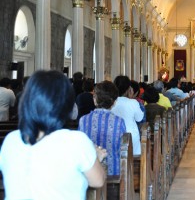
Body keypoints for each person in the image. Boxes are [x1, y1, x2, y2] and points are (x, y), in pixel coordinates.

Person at [0, 70, 106, 199]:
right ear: (65, 103)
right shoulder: (75, 141)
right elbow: (98, 181)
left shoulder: (11, 140)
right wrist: (97, 157)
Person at [79, 81, 126, 176]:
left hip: (90, 175)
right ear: (114, 102)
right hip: (114, 173)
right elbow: (122, 149)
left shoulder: (83, 120)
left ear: (95, 99)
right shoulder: (119, 122)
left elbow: (80, 148)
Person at [112, 75, 144, 155]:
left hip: (114, 135)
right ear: (129, 89)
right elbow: (139, 118)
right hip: (131, 136)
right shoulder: (133, 102)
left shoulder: (110, 102)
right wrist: (131, 99)